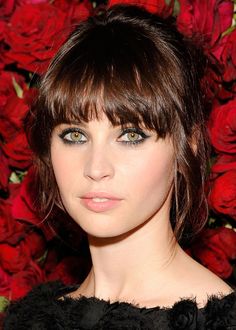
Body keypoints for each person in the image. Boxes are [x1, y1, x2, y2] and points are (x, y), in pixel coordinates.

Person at [3, 4, 236, 329]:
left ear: (189, 145)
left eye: (130, 135)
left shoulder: (218, 323)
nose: (96, 168)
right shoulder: (27, 319)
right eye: (74, 135)